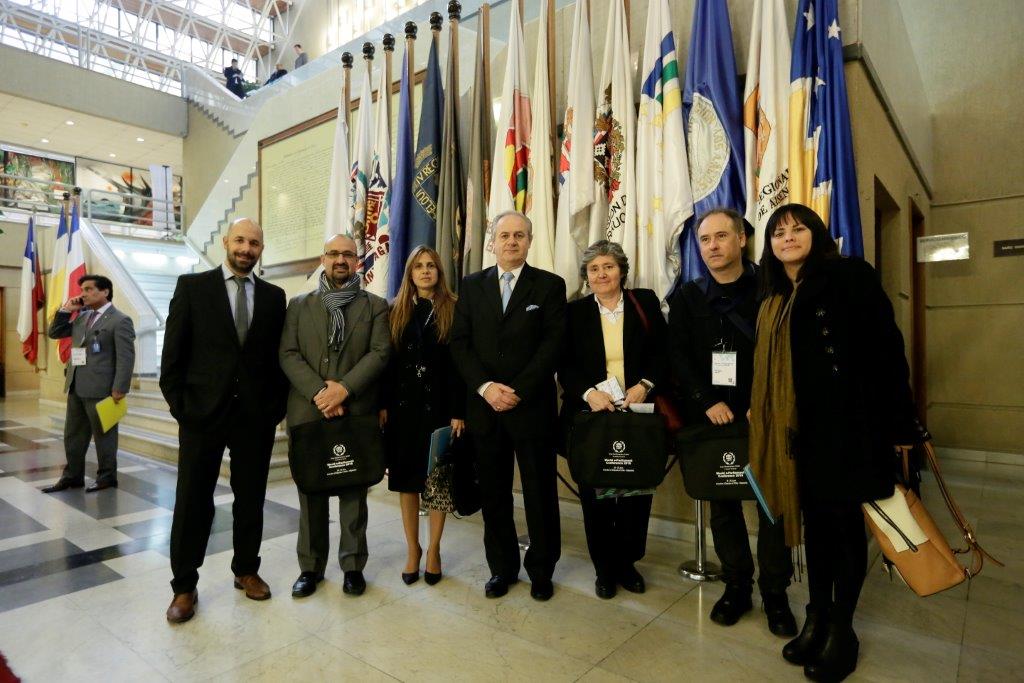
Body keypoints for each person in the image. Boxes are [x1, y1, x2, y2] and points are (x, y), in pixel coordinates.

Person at [749, 203, 922, 682]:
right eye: (778, 232)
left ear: (816, 233)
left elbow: (887, 353)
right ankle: (817, 617)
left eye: (797, 228)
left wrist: (901, 429)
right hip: (797, 440)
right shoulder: (775, 295)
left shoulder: (849, 276)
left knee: (844, 535)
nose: (787, 237)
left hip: (848, 432)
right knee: (818, 534)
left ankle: (842, 630)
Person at [667, 208, 796, 635]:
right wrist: (704, 401)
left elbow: (787, 352)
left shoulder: (772, 288)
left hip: (764, 418)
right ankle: (737, 586)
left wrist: (762, 403)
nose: (712, 247)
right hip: (711, 419)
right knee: (722, 507)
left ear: (741, 239)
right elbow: (678, 359)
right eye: (704, 240)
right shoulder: (687, 297)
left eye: (721, 237)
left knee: (770, 506)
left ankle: (775, 594)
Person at [160, 218, 288, 624]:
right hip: (202, 415)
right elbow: (172, 359)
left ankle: (247, 570)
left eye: (254, 242)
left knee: (251, 498)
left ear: (261, 248)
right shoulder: (192, 288)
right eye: (239, 240)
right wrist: (183, 407)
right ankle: (184, 586)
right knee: (192, 500)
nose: (246, 248)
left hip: (254, 417)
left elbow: (276, 359)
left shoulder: (274, 296)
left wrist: (275, 408)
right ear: (224, 243)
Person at [450, 210, 566, 601]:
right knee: (494, 494)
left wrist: (515, 390)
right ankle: (502, 569)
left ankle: (542, 570)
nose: (512, 241)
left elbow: (552, 346)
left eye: (519, 235)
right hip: (485, 409)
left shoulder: (550, 286)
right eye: (504, 235)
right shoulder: (471, 286)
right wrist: (486, 388)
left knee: (540, 494)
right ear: (492, 242)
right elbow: (460, 343)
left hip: (530, 407)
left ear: (530, 241)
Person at [280, 234, 390, 599]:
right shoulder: (298, 305)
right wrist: (320, 392)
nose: (340, 259)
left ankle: (353, 566)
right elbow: (288, 354)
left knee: (353, 492)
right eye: (333, 253)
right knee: (310, 491)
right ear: (323, 259)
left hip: (355, 411)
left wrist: (343, 389)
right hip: (308, 412)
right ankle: (310, 568)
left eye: (347, 254)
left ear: (358, 261)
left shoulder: (375, 306)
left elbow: (379, 353)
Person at [558, 241, 665, 600]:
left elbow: (664, 352)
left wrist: (645, 385)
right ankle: (604, 568)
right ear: (586, 277)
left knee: (635, 494)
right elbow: (565, 366)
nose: (601, 274)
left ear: (622, 270)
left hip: (637, 412)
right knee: (597, 495)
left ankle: (627, 563)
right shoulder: (574, 313)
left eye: (608, 267)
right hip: (592, 415)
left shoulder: (644, 302)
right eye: (594, 269)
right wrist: (590, 393)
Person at [381, 246, 465, 586]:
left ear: (439, 272)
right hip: (403, 411)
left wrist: (460, 410)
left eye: (431, 265)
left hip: (440, 409)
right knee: (407, 481)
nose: (425, 271)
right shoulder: (394, 310)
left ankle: (433, 550)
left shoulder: (454, 308)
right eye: (419, 266)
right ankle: (412, 549)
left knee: (437, 483)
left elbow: (461, 365)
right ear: (410, 273)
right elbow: (387, 363)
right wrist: (383, 405)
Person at [42, 274, 135, 494]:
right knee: (72, 435)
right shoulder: (82, 317)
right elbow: (55, 332)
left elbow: (126, 356)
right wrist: (66, 310)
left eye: (88, 289)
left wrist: (120, 387)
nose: (83, 293)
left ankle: (107, 477)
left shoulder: (120, 320)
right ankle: (72, 476)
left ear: (105, 292)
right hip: (77, 385)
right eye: (82, 289)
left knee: (104, 437)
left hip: (103, 389)